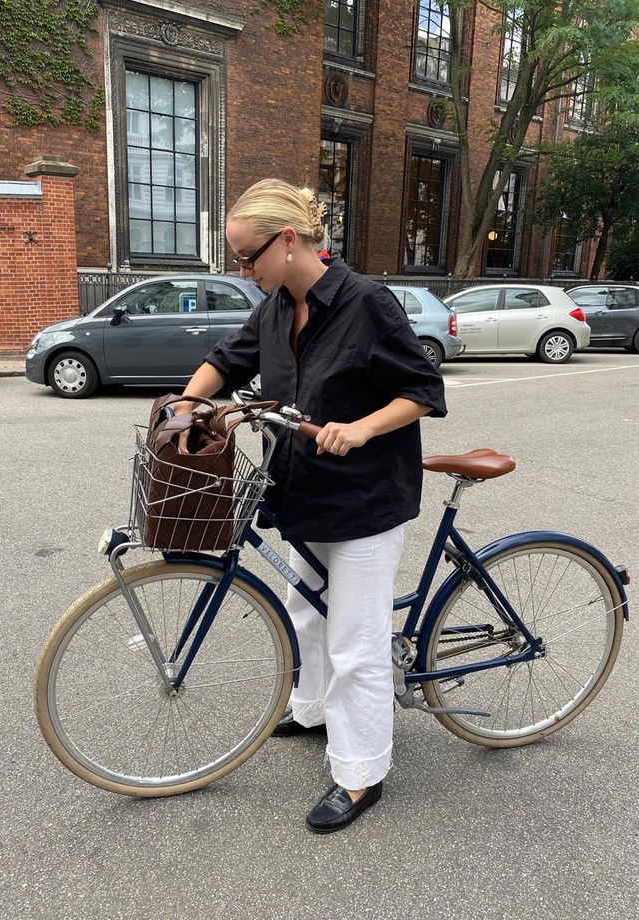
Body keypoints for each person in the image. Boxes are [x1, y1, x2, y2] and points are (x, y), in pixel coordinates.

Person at [172, 178, 447, 833]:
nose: (243, 270)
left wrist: (361, 428)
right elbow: (227, 360)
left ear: (289, 241)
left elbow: (423, 389)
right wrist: (190, 403)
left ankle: (360, 774)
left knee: (356, 642)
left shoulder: (365, 302)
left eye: (248, 257)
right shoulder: (273, 307)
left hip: (364, 499)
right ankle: (314, 707)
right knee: (305, 608)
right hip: (302, 489)